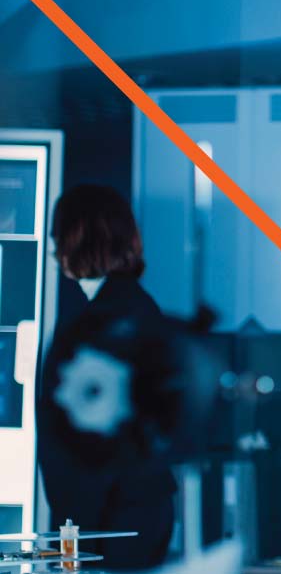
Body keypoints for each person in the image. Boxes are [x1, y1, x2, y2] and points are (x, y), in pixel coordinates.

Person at [36, 184, 176, 570]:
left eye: (58, 233)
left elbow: (91, 443)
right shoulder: (132, 310)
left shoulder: (106, 323)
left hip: (111, 522)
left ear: (81, 238)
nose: (51, 246)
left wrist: (72, 549)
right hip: (128, 516)